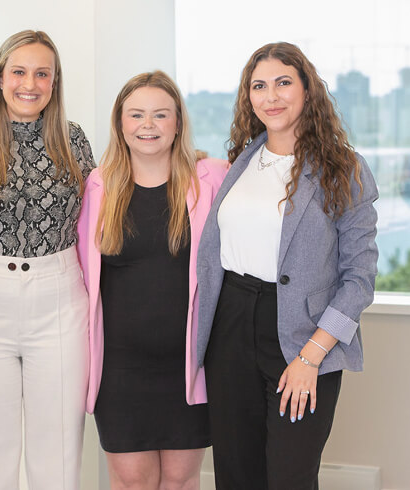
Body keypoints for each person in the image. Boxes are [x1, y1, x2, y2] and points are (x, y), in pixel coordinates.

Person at [196, 42, 378, 489]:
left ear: (307, 90)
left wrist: (310, 357)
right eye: (259, 86)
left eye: (283, 83)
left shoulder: (344, 169)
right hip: (231, 325)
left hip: (303, 335)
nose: (270, 96)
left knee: (290, 477)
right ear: (247, 96)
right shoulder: (240, 161)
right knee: (236, 474)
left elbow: (359, 280)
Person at [0, 29, 95, 490]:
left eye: (42, 73)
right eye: (19, 71)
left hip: (60, 299)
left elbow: (97, 216)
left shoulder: (73, 140)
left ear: (54, 82)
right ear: (0, 78)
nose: (30, 83)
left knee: (60, 449)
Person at [76, 71, 228, 490]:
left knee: (181, 481)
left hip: (187, 368)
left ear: (177, 122)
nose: (148, 125)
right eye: (137, 114)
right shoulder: (98, 187)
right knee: (131, 482)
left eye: (160, 115)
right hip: (120, 372)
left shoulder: (211, 178)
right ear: (120, 123)